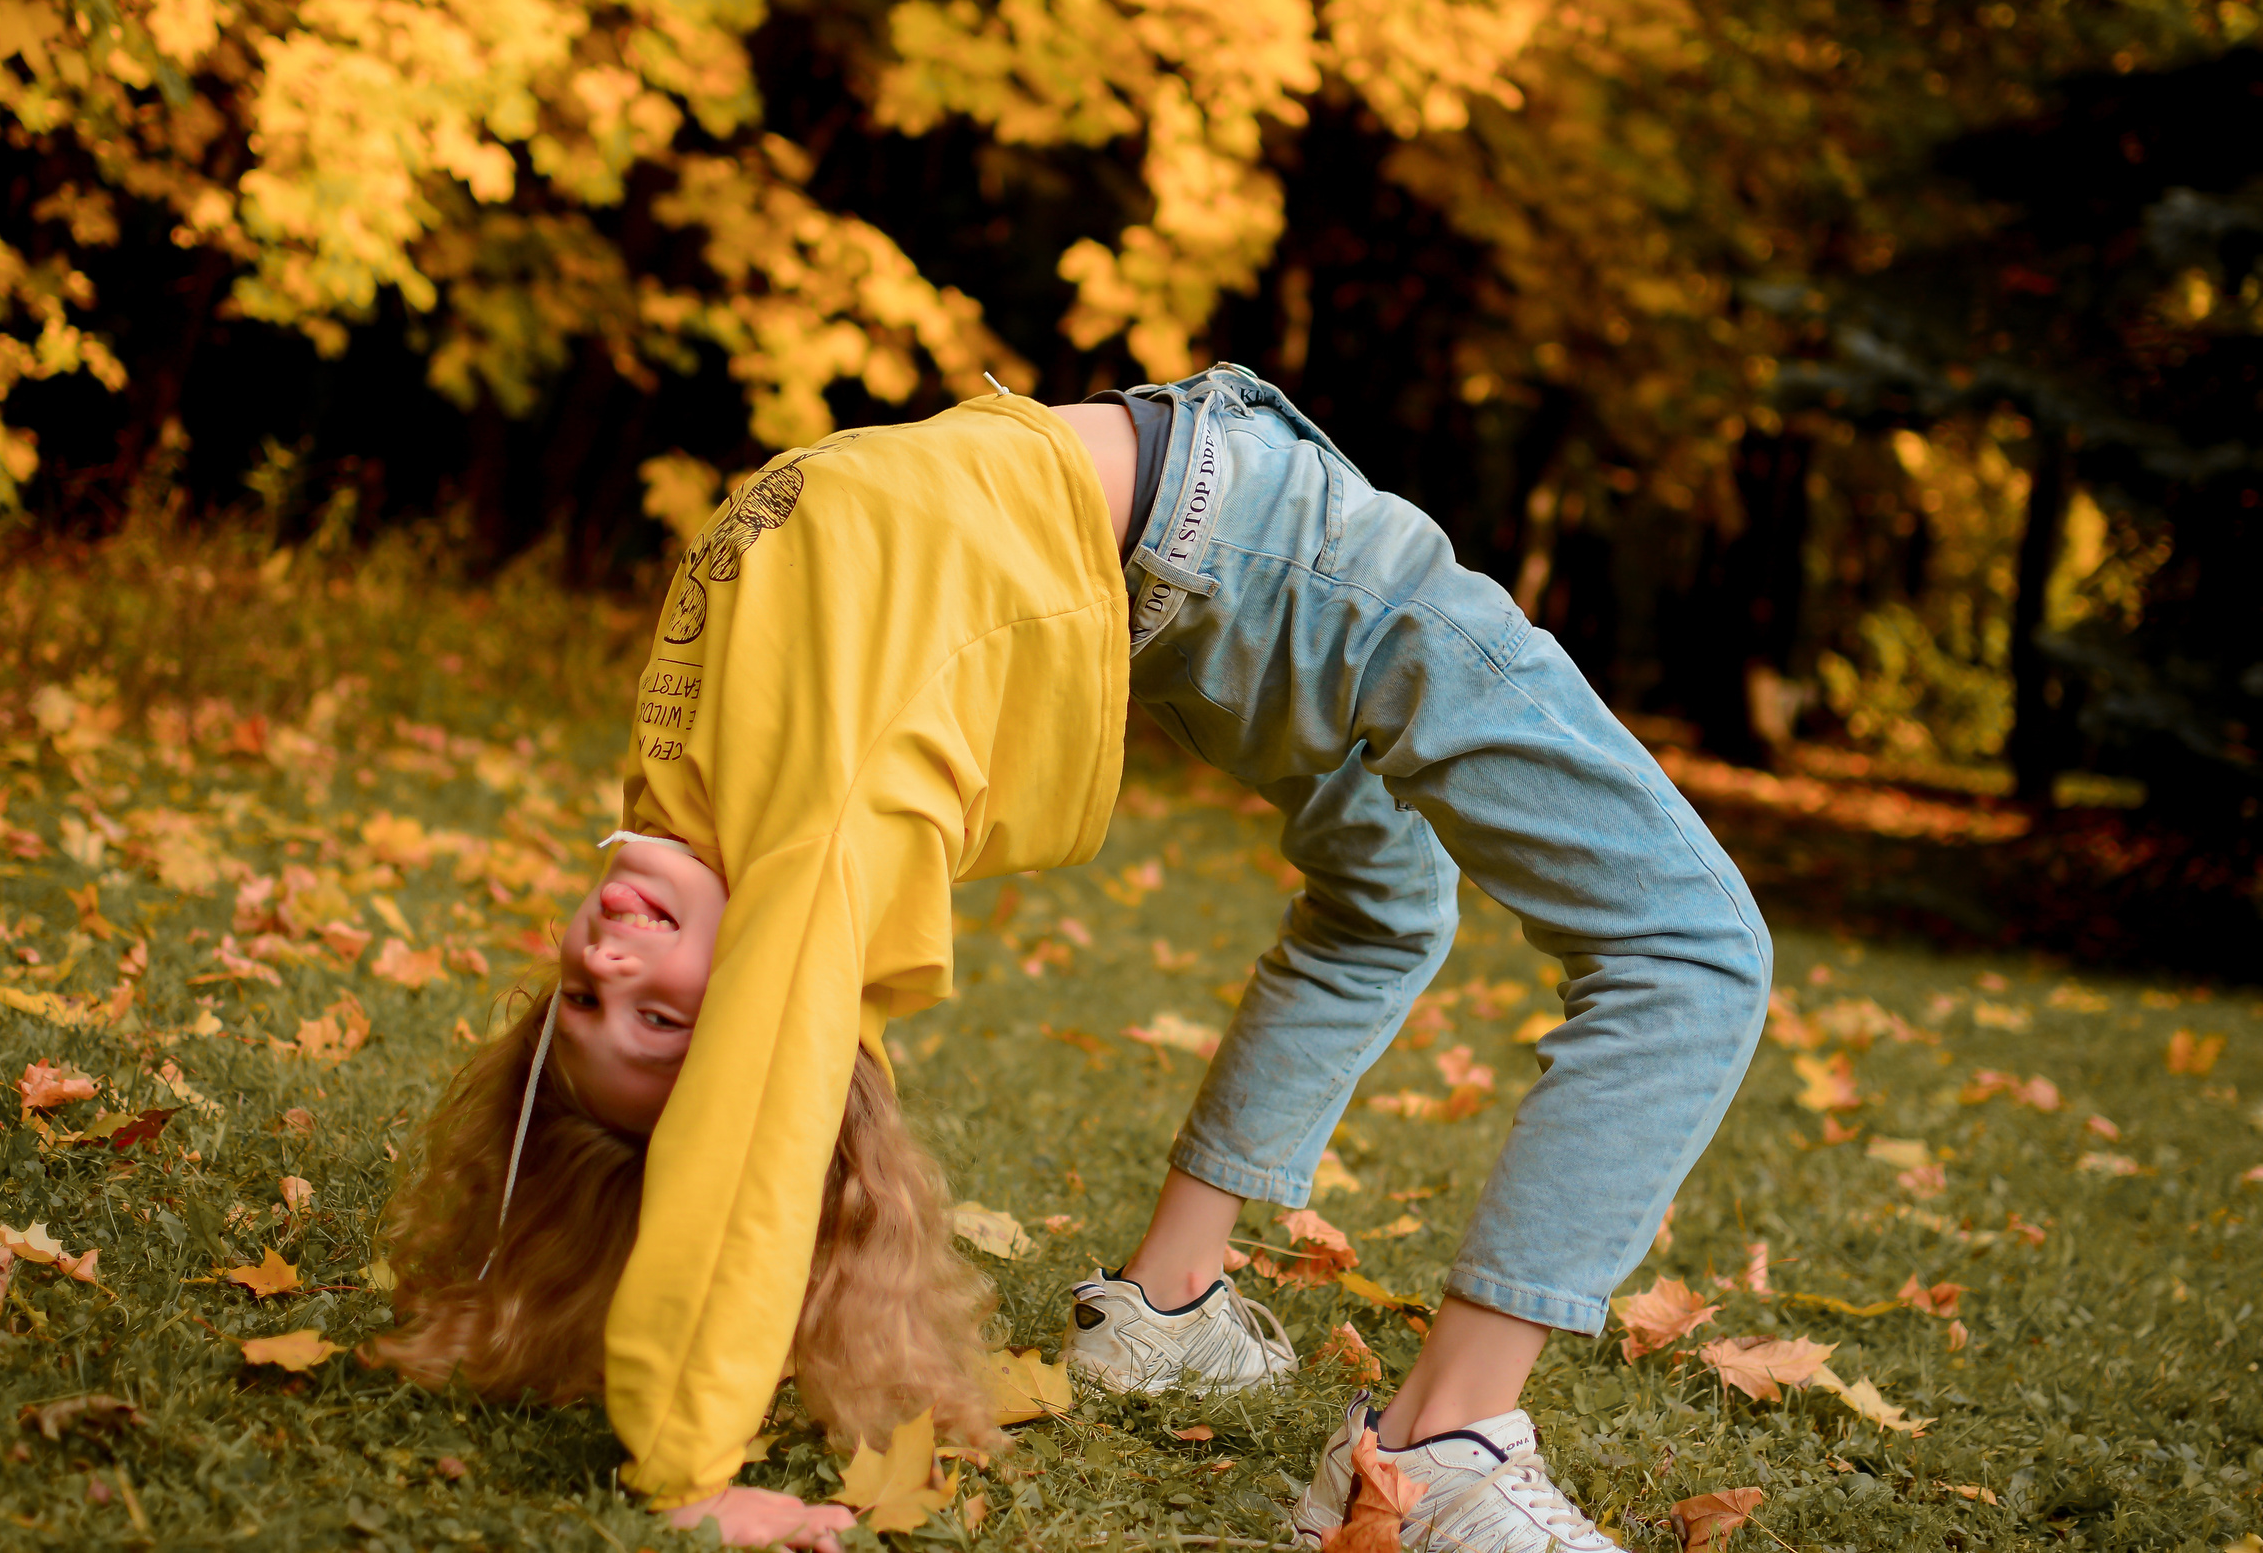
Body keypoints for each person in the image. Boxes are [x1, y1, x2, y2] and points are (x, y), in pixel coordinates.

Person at [369, 364, 1773, 1553]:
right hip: (1262, 546)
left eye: (579, 1000)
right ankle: (1447, 1443)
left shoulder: (684, 797)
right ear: (755, 1022)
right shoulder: (805, 853)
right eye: (667, 1025)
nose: (616, 958)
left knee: (1386, 901)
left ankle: (1166, 1306)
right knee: (1693, 947)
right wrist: (684, 1466)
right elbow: (753, 1139)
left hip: (1161, 566)